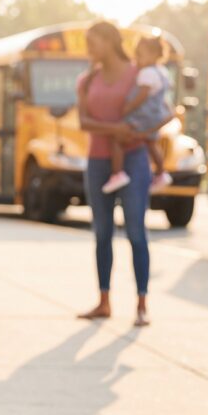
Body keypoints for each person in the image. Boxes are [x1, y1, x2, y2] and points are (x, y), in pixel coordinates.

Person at [76, 21, 153, 327]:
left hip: (133, 158)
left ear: (110, 41)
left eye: (92, 42)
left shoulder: (138, 74)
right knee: (102, 233)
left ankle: (142, 303)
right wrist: (115, 129)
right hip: (98, 161)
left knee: (136, 231)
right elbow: (84, 121)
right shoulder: (86, 80)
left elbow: (154, 107)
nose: (89, 49)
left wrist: (132, 133)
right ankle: (104, 301)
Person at [101, 36, 175, 194]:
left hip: (143, 116)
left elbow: (141, 96)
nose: (137, 60)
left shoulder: (146, 73)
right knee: (151, 143)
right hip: (156, 116)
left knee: (118, 139)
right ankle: (161, 173)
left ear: (154, 55)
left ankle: (117, 173)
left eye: (140, 55)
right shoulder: (162, 72)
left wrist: (127, 108)